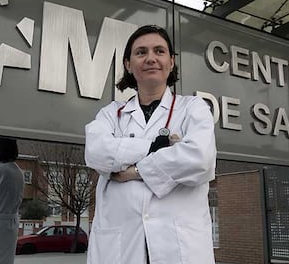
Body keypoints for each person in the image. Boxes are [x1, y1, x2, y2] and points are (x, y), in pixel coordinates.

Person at [85, 25, 216, 264]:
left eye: (159, 51)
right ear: (128, 64)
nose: (151, 58)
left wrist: (135, 171)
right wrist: (157, 148)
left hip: (178, 247)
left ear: (171, 61)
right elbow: (96, 153)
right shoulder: (111, 113)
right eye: (141, 52)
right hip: (120, 248)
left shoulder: (193, 107)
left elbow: (200, 159)